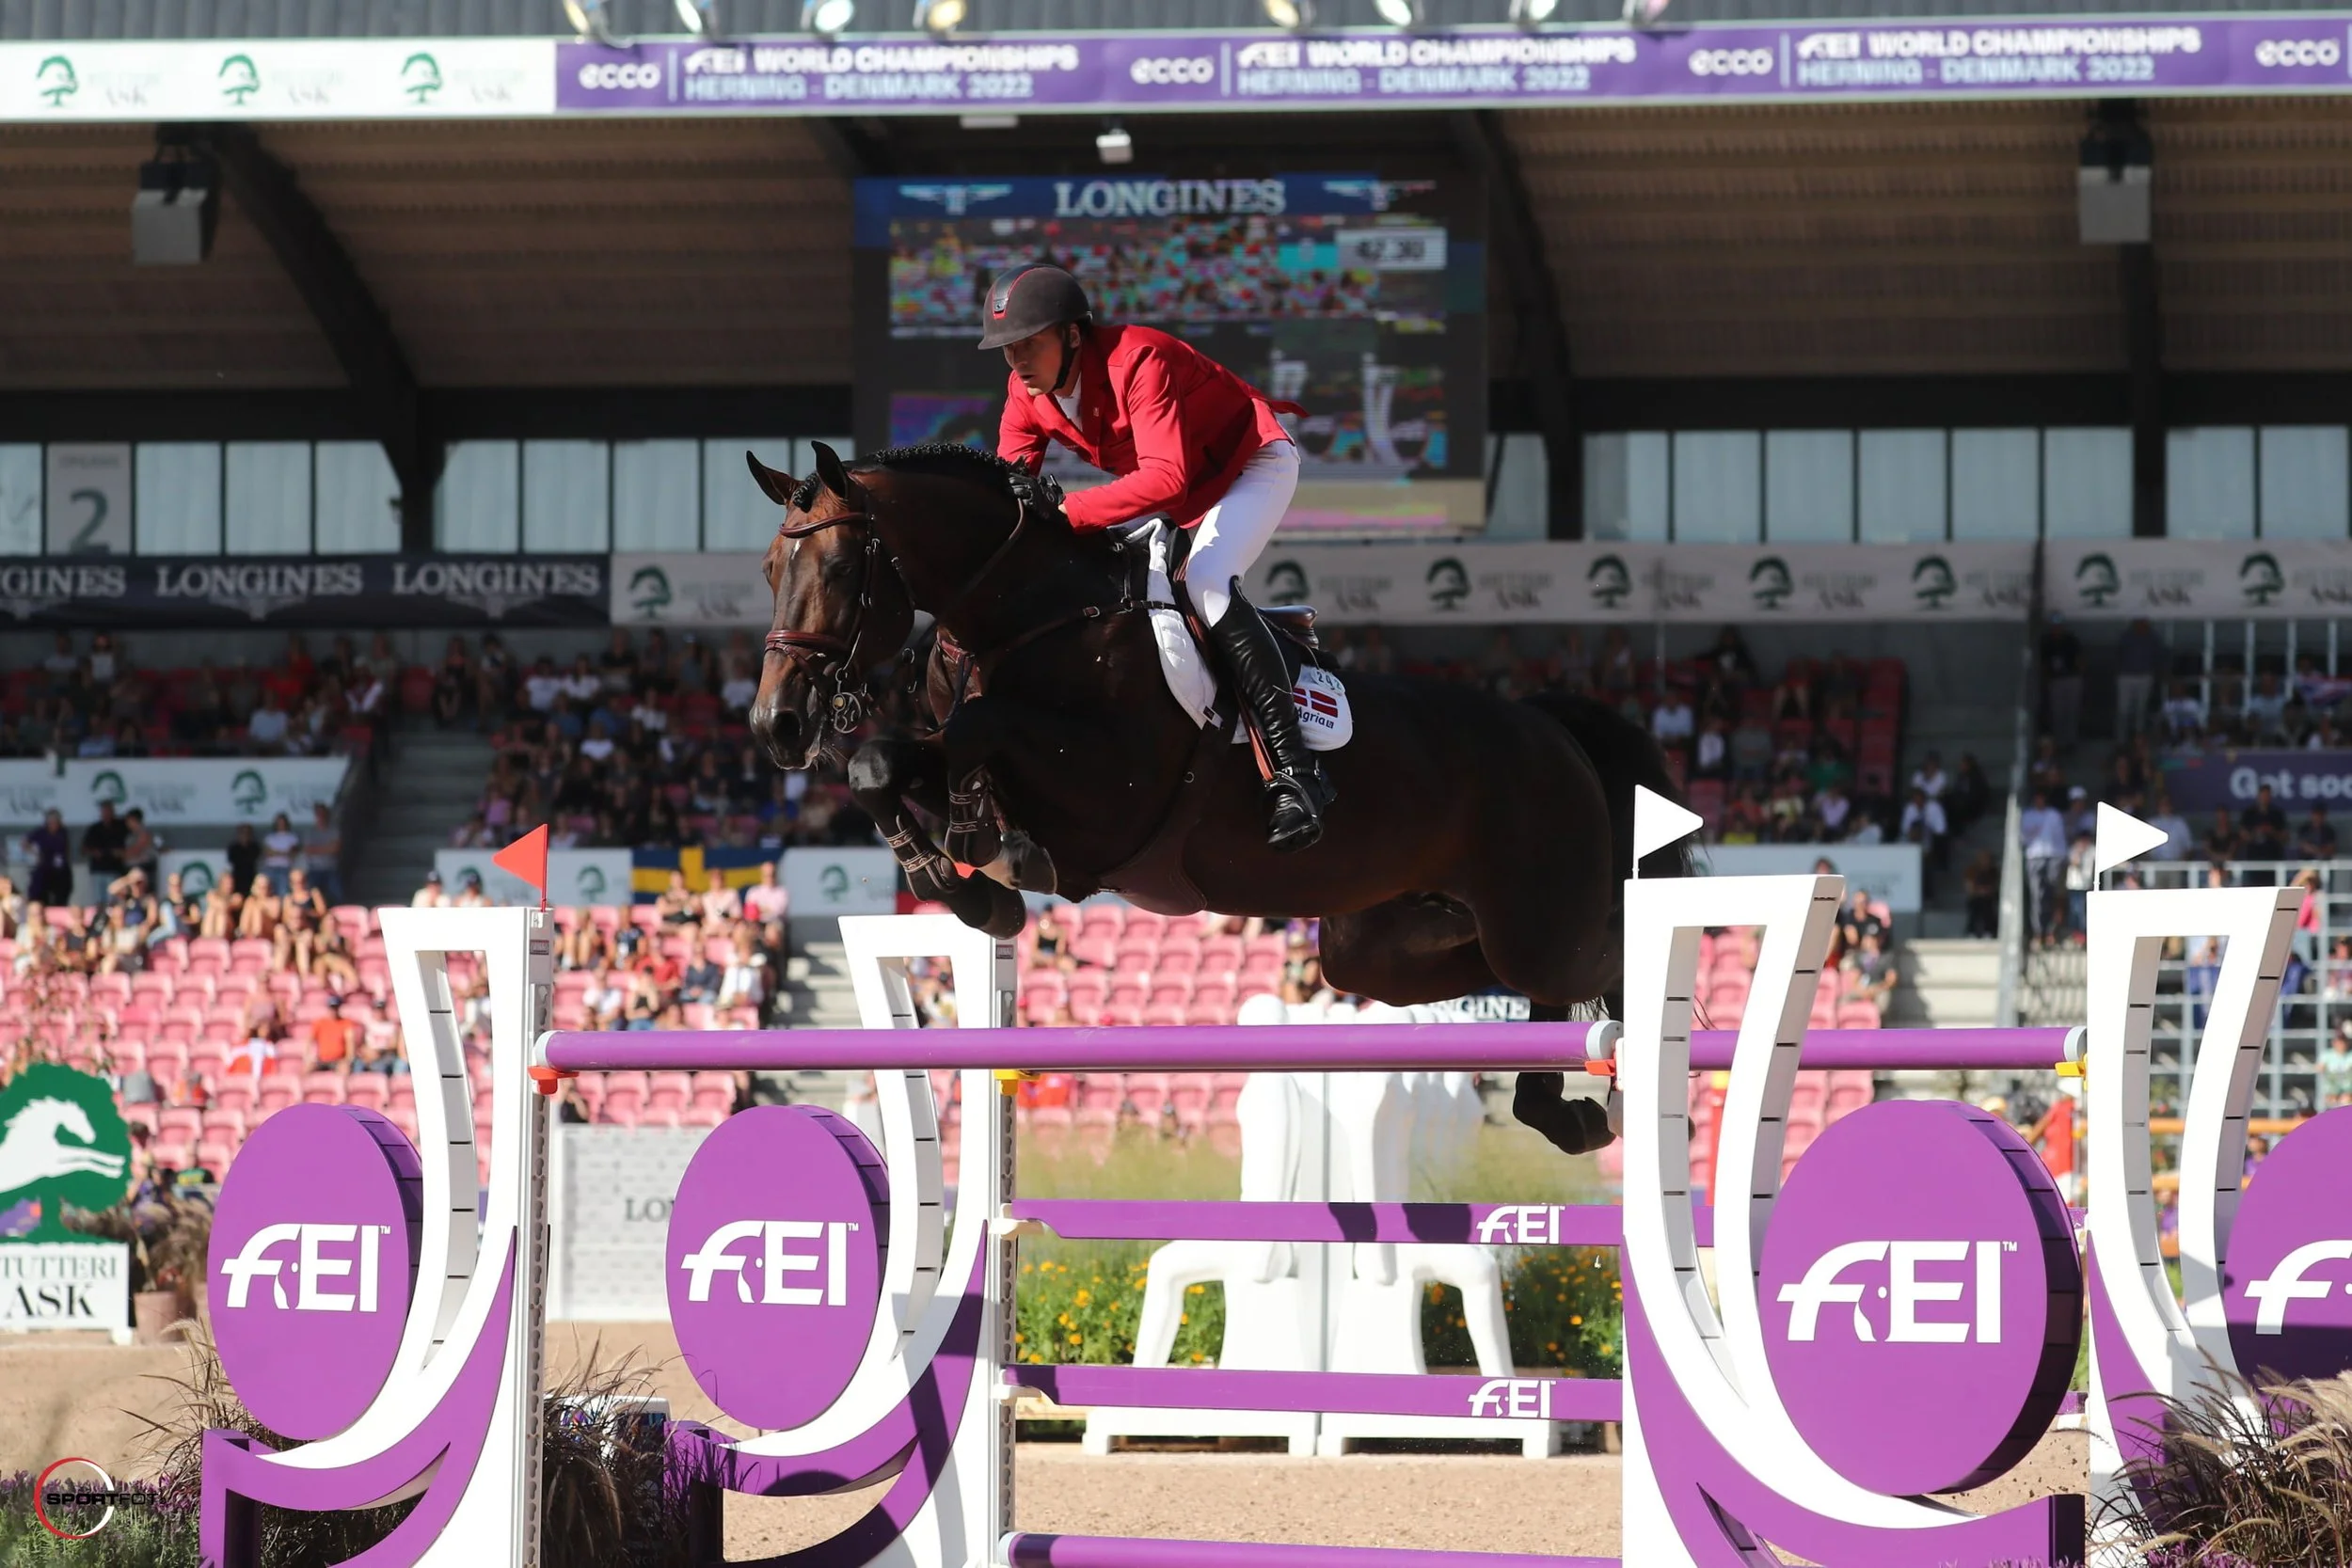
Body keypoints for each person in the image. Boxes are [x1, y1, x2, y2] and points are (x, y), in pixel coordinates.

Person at [983, 261, 1329, 850]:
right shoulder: (1026, 392)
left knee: (1207, 578)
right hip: (1185, 493)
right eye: (1007, 349)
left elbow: (1166, 480)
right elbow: (1011, 490)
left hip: (1250, 464)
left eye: (1029, 344)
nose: (1017, 361)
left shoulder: (1140, 359)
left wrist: (1070, 515)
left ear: (1072, 334)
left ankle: (1297, 776)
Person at [2041, 611, 2083, 751]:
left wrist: (2079, 675)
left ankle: (2071, 742)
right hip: (2056, 681)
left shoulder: (2071, 640)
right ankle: (2058, 743)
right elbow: (2044, 664)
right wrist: (2047, 680)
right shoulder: (2047, 642)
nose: (2057, 629)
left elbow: (2080, 660)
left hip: (2072, 678)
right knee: (2057, 712)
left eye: (2059, 626)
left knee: (2072, 711)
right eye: (2054, 626)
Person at [24, 808, 72, 905]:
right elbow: (25, 842)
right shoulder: (41, 832)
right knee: (38, 893)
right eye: (51, 821)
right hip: (44, 868)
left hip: (60, 870)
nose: (53, 824)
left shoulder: (63, 832)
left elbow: (66, 849)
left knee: (61, 895)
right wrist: (35, 852)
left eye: (55, 821)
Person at [82, 800, 131, 890]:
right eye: (104, 811)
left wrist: (122, 852)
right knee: (99, 900)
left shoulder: (121, 826)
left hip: (115, 869)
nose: (107, 813)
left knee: (114, 899)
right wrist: (95, 852)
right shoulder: (94, 828)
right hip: (98, 869)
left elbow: (131, 842)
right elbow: (84, 848)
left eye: (109, 810)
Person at [261, 812, 303, 895]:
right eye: (279, 822)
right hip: (270, 868)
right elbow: (267, 853)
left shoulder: (292, 837)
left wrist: (276, 852)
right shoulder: (270, 837)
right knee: (268, 892)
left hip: (285, 868)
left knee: (283, 892)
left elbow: (292, 853)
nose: (281, 824)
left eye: (283, 822)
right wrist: (284, 852)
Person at [742, 860, 788, 925]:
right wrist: (767, 909)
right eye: (767, 875)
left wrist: (759, 909)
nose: (770, 878)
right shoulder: (753, 891)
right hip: (755, 924)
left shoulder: (782, 892)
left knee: (772, 932)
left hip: (774, 923)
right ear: (761, 875)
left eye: (772, 874)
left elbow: (777, 912)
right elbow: (750, 912)